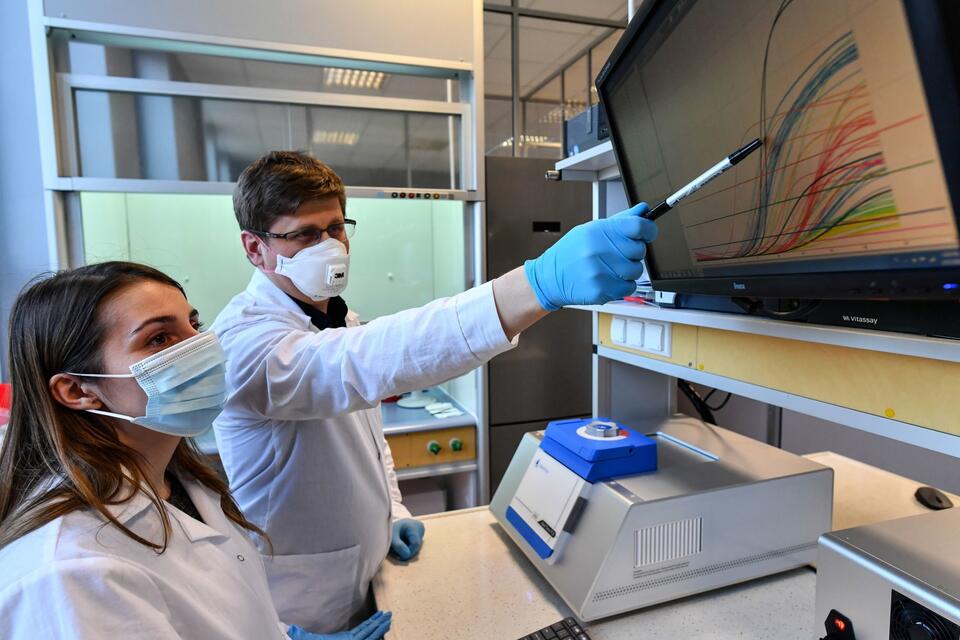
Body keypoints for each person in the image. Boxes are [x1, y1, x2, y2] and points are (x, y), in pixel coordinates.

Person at [213, 151, 657, 633]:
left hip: (367, 576)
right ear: (255, 248)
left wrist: (393, 510)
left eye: (336, 228)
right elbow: (365, 360)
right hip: (300, 605)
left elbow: (369, 439)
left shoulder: (339, 316)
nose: (330, 247)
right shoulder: (243, 342)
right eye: (304, 235)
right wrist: (536, 285)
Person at [0, 262, 391, 640]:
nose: (203, 347)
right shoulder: (74, 571)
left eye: (194, 324)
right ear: (78, 390)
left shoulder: (179, 480)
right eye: (159, 338)